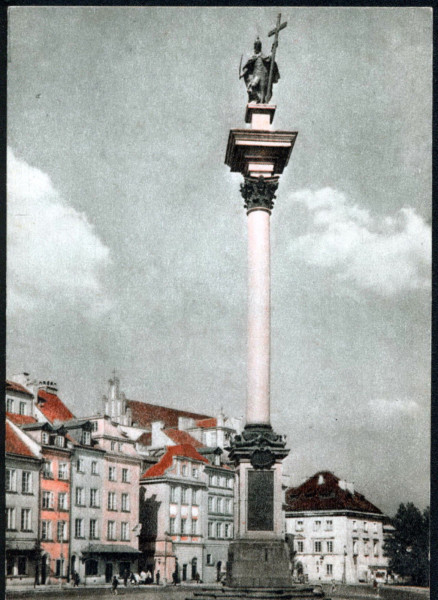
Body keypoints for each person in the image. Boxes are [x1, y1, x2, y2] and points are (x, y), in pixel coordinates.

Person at [241, 37, 279, 104]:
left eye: (257, 46)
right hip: (256, 75)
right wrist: (243, 73)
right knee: (252, 87)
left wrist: (273, 48)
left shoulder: (263, 56)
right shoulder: (253, 57)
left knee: (263, 90)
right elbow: (248, 66)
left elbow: (270, 57)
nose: (255, 48)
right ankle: (257, 99)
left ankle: (261, 102)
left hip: (263, 75)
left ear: (259, 47)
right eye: (255, 46)